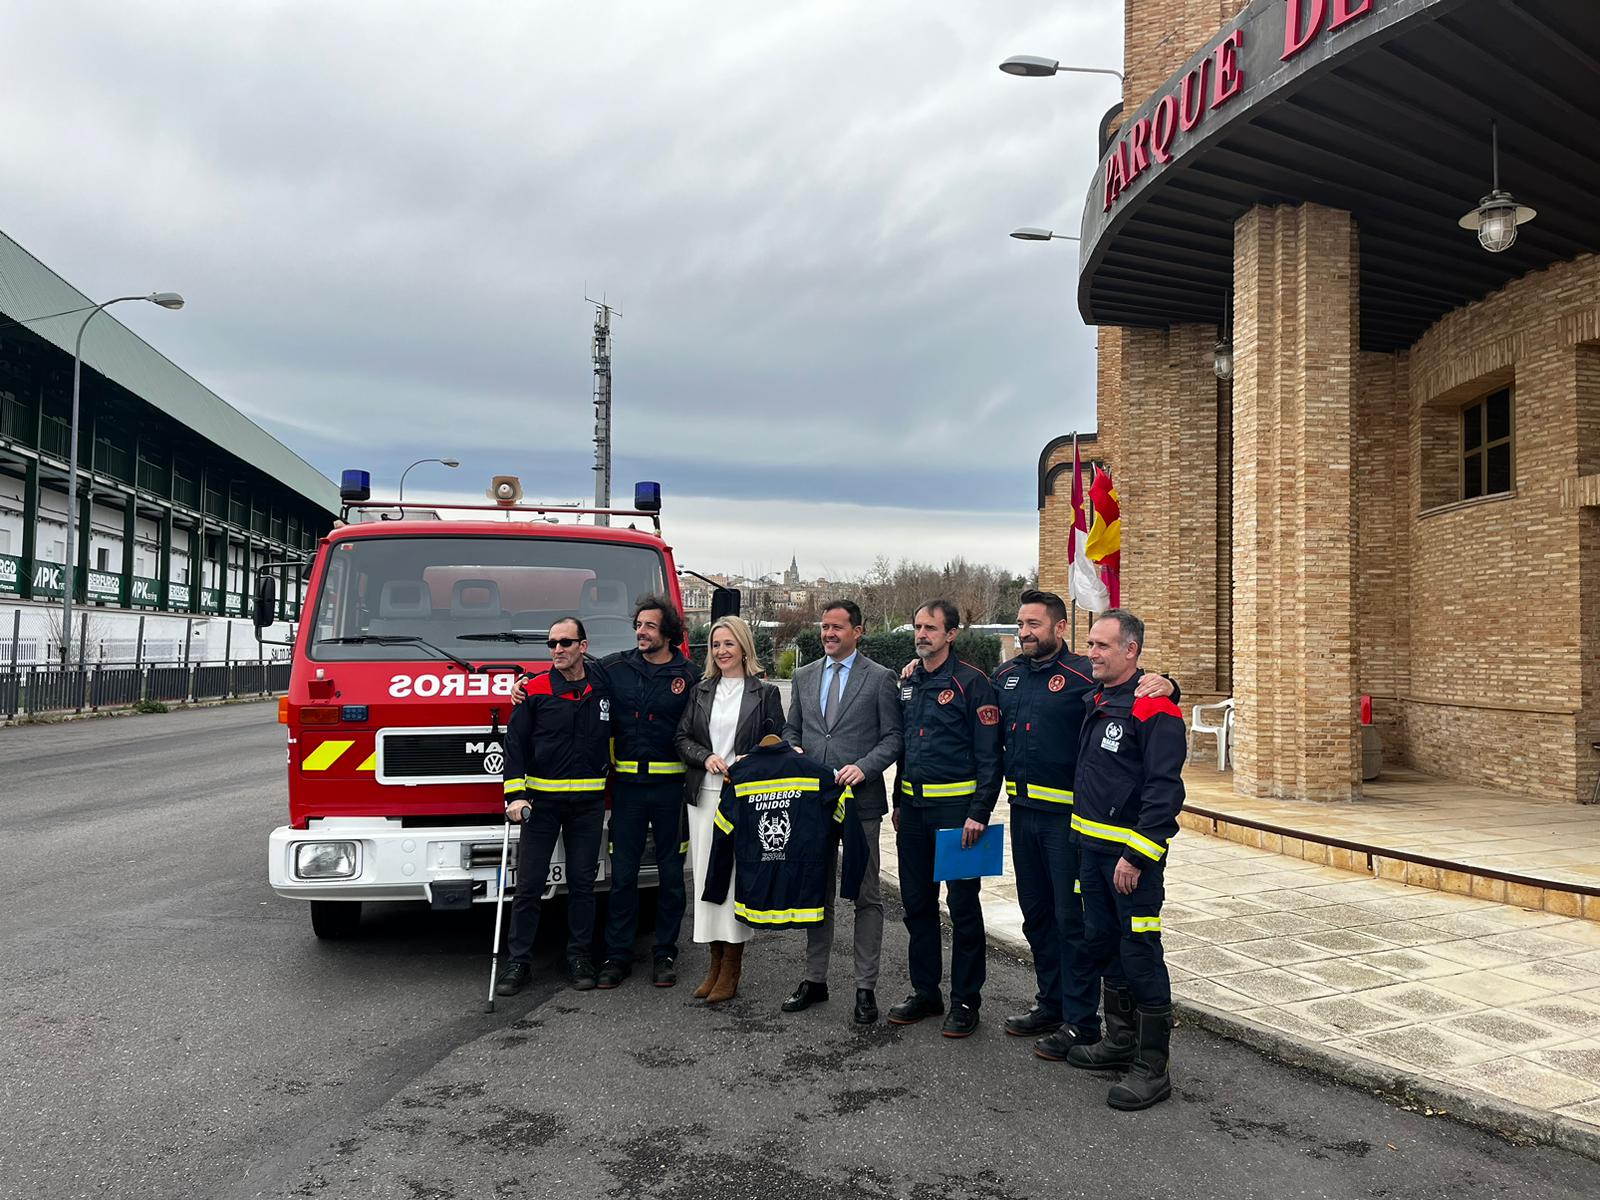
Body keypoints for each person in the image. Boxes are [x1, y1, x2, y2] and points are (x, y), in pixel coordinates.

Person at [992, 590, 1176, 1063]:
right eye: (1020, 623)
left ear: (1058, 628)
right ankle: (1050, 1005)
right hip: (1027, 816)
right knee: (1038, 917)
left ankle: (1080, 1021)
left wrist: (1169, 683)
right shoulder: (1005, 677)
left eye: (1035, 623)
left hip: (1069, 826)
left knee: (1072, 923)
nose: (1025, 631)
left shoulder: (1081, 676)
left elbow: (1141, 702)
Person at [1064, 609, 1187, 1111]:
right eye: (1090, 644)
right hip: (1090, 854)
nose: (1091, 652)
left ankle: (1152, 1067)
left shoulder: (1155, 710)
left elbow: (1164, 791)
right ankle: (1119, 1041)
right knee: (1103, 944)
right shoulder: (1097, 698)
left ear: (1131, 651)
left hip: (1128, 862)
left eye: (1101, 646)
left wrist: (1137, 855)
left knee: (1138, 951)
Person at [780, 599, 903, 1024]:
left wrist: (864, 767)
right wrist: (793, 749)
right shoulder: (803, 675)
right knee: (816, 892)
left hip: (861, 806)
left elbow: (892, 738)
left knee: (867, 896)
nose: (828, 634)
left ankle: (865, 988)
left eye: (836, 627)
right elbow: (792, 728)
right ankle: (815, 980)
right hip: (814, 805)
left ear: (857, 631)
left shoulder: (881, 679)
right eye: (824, 627)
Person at [889, 599, 1001, 1038]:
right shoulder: (908, 682)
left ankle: (966, 1001)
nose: (921, 634)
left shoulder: (973, 683)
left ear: (951, 634)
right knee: (917, 906)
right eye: (917, 626)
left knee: (963, 908)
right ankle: (926, 993)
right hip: (913, 814)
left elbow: (990, 757)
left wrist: (979, 813)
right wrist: (898, 801)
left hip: (959, 817)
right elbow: (903, 749)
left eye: (931, 628)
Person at [495, 616, 612, 995]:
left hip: (588, 806)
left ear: (583, 645)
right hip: (541, 805)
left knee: (582, 885)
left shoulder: (603, 686)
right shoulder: (535, 689)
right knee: (528, 886)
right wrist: (515, 795)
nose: (557, 649)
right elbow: (515, 746)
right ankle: (518, 963)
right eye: (551, 644)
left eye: (565, 643)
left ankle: (579, 957)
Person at [673, 615, 785, 1003]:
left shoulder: (765, 692)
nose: (721, 651)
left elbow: (777, 741)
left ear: (743, 647)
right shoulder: (700, 691)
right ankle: (714, 962)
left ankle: (732, 967)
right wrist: (705, 758)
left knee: (734, 877)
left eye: (728, 644)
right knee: (706, 878)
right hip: (703, 795)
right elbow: (682, 738)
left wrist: (748, 761)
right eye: (716, 645)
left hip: (742, 798)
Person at [596, 595, 699, 989]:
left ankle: (665, 953)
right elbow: (572, 679)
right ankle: (617, 955)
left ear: (668, 632)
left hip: (671, 792)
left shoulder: (689, 676)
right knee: (622, 875)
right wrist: (526, 687)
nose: (641, 632)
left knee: (671, 876)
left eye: (649, 626)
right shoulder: (614, 668)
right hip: (627, 792)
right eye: (638, 625)